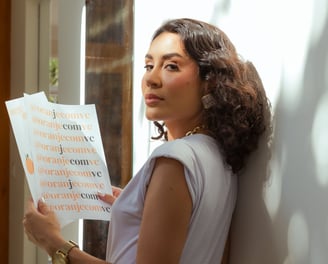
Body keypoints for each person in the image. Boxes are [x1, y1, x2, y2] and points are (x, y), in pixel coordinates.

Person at [23, 18, 270, 264]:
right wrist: (137, 208)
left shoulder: (174, 159)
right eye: (148, 65)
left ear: (210, 81)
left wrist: (54, 243)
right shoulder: (217, 156)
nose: (152, 79)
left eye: (172, 66)